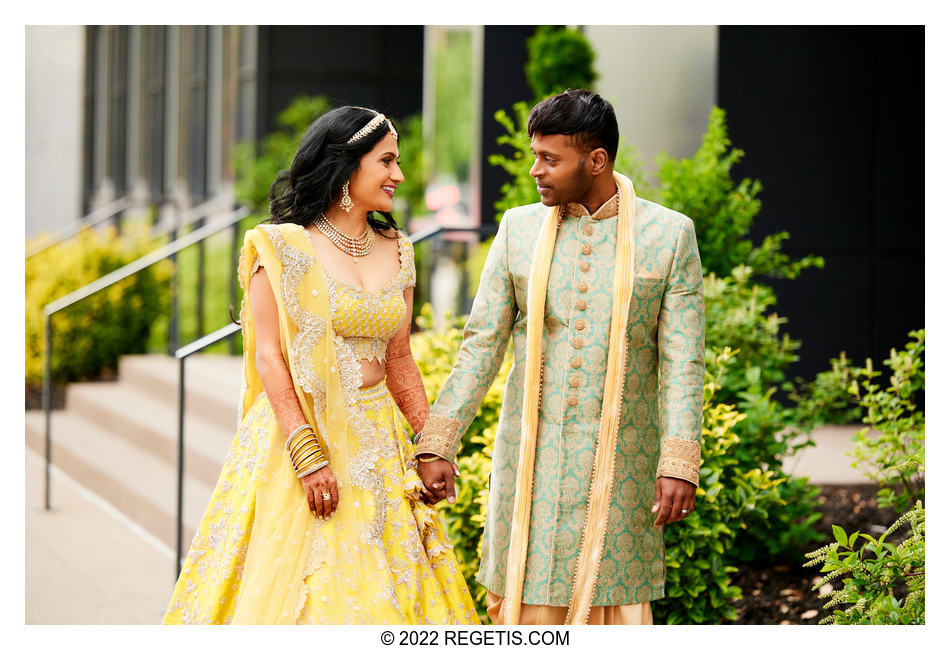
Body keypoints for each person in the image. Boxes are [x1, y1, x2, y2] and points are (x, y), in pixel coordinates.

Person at [163, 106, 479, 625]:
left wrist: (431, 443)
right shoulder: (281, 246)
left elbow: (398, 355)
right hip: (301, 439)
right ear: (347, 166)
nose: (399, 176)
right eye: (387, 162)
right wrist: (308, 456)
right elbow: (269, 355)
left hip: (379, 445)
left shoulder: (399, 249)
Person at [413, 89, 705, 625]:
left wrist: (679, 462)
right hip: (532, 458)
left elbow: (683, 361)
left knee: (613, 596)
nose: (534, 170)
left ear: (596, 161)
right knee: (529, 599)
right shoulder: (517, 229)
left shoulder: (668, 236)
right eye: (534, 154)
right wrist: (438, 442)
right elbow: (481, 342)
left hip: (624, 461)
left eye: (550, 158)